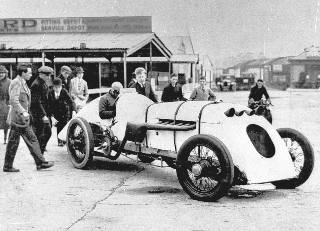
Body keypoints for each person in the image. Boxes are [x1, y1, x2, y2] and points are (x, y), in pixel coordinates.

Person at [3, 64, 54, 172]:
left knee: (32, 139)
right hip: (18, 119)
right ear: (23, 73)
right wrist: (23, 112)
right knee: (14, 143)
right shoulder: (16, 83)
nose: (31, 75)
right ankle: (8, 166)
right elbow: (13, 100)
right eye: (29, 73)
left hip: (22, 120)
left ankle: (40, 162)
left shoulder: (23, 83)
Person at [30, 66, 54, 155]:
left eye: (50, 75)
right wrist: (43, 115)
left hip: (44, 113)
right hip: (38, 114)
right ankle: (39, 155)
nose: (49, 77)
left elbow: (47, 99)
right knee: (44, 133)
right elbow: (37, 102)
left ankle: (39, 154)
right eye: (47, 75)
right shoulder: (36, 84)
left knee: (45, 133)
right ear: (40, 74)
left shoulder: (43, 83)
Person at [48, 78, 77, 146]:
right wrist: (51, 116)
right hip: (55, 113)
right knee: (58, 126)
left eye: (59, 87)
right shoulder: (50, 93)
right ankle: (60, 141)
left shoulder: (64, 91)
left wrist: (74, 111)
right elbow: (48, 106)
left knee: (65, 125)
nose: (58, 89)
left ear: (61, 87)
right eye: (55, 87)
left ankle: (67, 140)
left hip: (65, 112)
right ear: (53, 87)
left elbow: (71, 101)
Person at [0, 65, 11, 144]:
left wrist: (9, 103)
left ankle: (5, 137)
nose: (1, 74)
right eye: (0, 73)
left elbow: (10, 93)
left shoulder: (9, 82)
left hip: (5, 103)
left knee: (5, 122)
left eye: (3, 73)